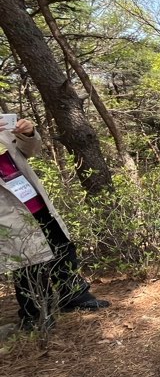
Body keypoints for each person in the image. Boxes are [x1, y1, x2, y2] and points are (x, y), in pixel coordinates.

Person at [0, 117, 108, 330]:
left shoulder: (3, 129)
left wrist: (28, 133)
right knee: (28, 262)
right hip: (8, 211)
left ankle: (73, 296)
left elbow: (30, 151)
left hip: (35, 200)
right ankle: (36, 313)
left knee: (62, 248)